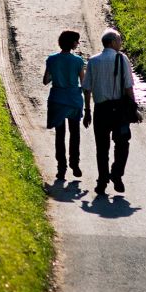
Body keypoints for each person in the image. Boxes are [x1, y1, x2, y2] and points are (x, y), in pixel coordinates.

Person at [84, 28, 138, 195]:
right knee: (122, 144)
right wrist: (134, 108)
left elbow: (87, 88)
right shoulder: (122, 60)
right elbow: (128, 86)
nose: (121, 43)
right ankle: (116, 174)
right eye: (119, 40)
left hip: (101, 110)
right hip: (119, 110)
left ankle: (102, 181)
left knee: (102, 147)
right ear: (113, 42)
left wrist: (87, 110)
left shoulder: (93, 61)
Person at [42, 30, 87, 183]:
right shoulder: (78, 61)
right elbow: (83, 82)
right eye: (77, 41)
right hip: (74, 100)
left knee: (60, 135)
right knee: (75, 134)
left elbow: (46, 80)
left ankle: (61, 168)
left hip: (57, 100)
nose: (78, 43)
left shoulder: (52, 59)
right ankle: (75, 163)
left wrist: (57, 73)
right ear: (72, 43)